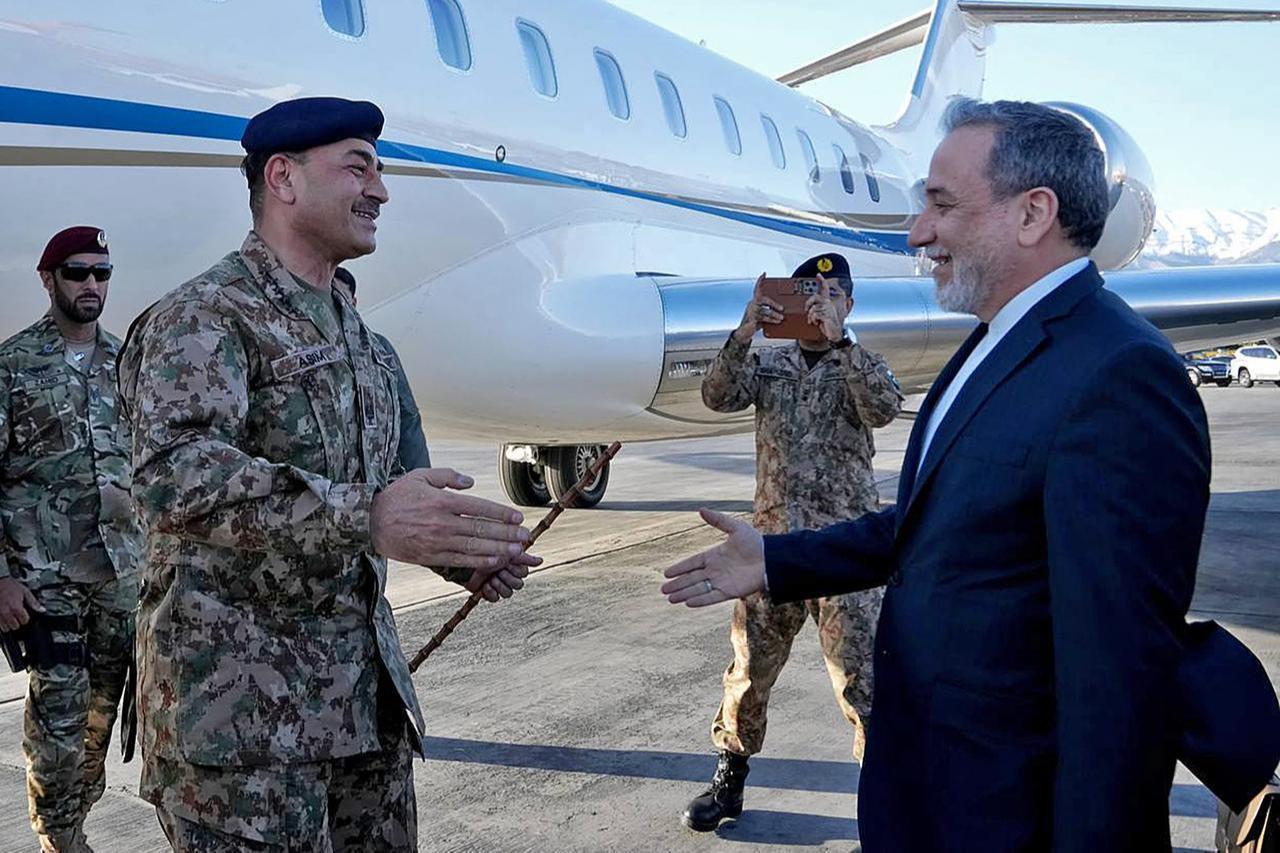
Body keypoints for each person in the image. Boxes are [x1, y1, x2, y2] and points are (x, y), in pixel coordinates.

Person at [661, 99, 1212, 852]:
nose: (917, 232)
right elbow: (929, 523)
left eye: (941, 204)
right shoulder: (992, 343)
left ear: (1032, 213)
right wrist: (773, 557)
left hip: (1001, 815)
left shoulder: (1120, 373)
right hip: (935, 802)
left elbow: (1118, 684)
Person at [116, 97, 540, 852]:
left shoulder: (368, 347)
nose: (380, 189)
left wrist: (463, 553)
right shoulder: (205, 318)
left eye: (378, 169)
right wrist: (368, 517)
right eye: (358, 166)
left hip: (363, 718)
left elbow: (401, 491)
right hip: (242, 736)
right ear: (282, 178)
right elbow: (174, 474)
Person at [682, 254, 902, 832]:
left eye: (830, 294)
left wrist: (842, 343)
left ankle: (884, 805)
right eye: (807, 291)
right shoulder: (770, 363)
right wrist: (747, 327)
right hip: (770, 552)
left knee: (864, 682)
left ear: (848, 304)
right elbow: (715, 395)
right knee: (749, 670)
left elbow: (883, 409)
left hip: (843, 554)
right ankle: (729, 778)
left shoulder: (863, 363)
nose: (816, 303)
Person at [0, 226, 142, 853]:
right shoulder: (12, 365)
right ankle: (58, 838)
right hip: (43, 581)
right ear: (48, 278)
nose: (91, 284)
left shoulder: (126, 363)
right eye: (78, 272)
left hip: (120, 576)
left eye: (101, 273)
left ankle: (74, 826)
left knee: (98, 719)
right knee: (57, 720)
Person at [333, 266, 431, 471]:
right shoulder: (297, 348)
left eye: (340, 298)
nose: (335, 307)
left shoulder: (379, 348)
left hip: (380, 485)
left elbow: (407, 418)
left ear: (354, 303)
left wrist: (421, 481)